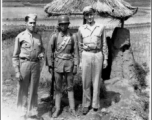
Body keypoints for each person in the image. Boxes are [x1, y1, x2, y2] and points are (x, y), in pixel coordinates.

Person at [77, 6, 108, 115]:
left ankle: (95, 104)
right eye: (87, 15)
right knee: (86, 81)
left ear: (94, 14)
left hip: (98, 55)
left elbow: (104, 44)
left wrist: (105, 59)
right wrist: (80, 61)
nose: (89, 17)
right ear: (84, 16)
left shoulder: (101, 27)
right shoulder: (81, 29)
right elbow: (80, 46)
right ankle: (86, 105)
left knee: (96, 81)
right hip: (86, 55)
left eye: (91, 14)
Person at [12, 13, 45, 119]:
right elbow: (15, 55)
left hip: (36, 64)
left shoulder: (38, 36)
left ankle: (32, 111)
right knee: (23, 88)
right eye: (30, 23)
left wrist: (42, 53)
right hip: (24, 64)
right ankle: (22, 111)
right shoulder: (20, 36)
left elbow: (42, 49)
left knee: (34, 89)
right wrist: (17, 71)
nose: (32, 25)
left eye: (34, 23)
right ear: (26, 23)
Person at [46, 15, 78, 118]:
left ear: (68, 25)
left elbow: (76, 52)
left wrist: (76, 64)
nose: (63, 26)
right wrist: (50, 65)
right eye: (61, 24)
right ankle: (58, 108)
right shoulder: (55, 36)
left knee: (70, 87)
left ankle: (72, 108)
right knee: (58, 88)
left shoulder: (73, 36)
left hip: (69, 65)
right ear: (59, 25)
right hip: (58, 65)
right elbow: (49, 51)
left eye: (65, 24)